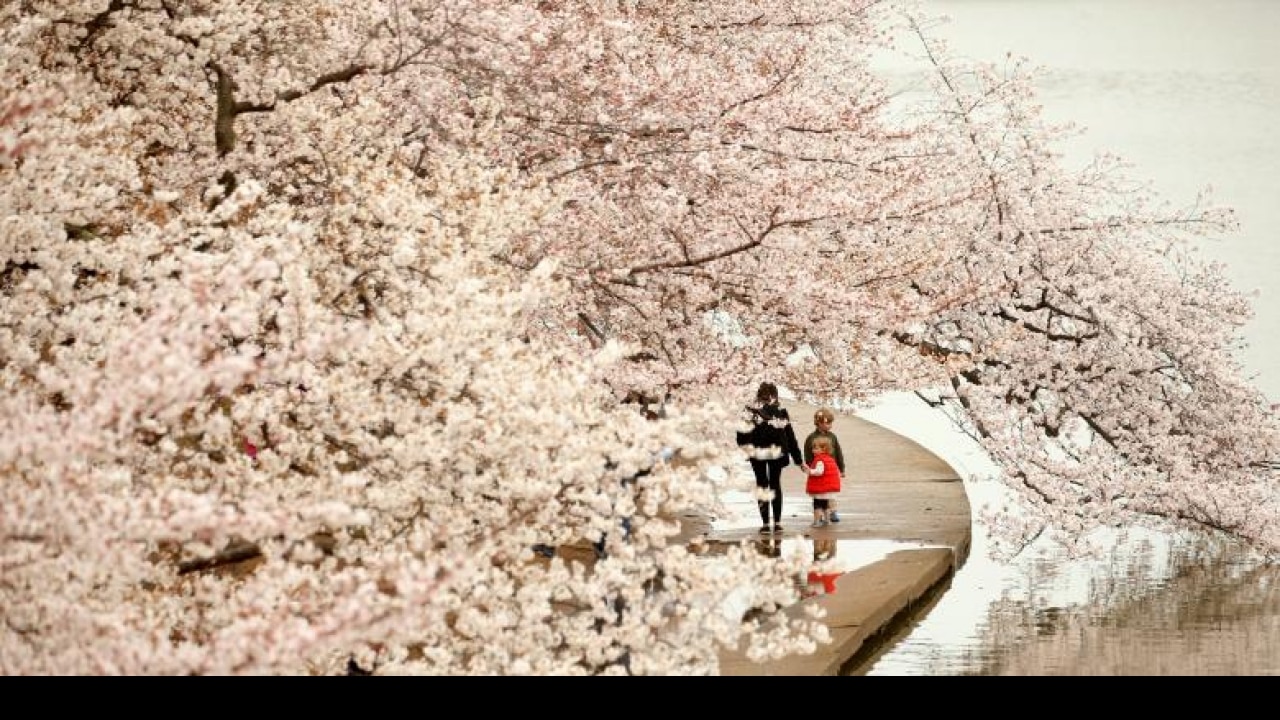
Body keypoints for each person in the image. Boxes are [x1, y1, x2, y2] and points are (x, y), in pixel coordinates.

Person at [736, 381, 803, 535]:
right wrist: (798, 459)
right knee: (775, 484)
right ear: (775, 395)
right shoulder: (780, 411)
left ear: (758, 395)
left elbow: (740, 433)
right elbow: (790, 437)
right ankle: (777, 523)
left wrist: (745, 449)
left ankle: (766, 524)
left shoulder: (749, 410)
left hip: (757, 452)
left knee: (762, 485)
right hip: (776, 452)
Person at [803, 407, 846, 523]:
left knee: (830, 492)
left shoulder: (832, 437)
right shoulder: (811, 438)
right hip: (817, 468)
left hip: (830, 469)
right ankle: (819, 513)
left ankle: (832, 511)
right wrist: (810, 467)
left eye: (831, 423)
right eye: (828, 423)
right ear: (819, 423)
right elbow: (807, 453)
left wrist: (841, 468)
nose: (830, 426)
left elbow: (838, 452)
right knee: (818, 492)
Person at [800, 436, 841, 528]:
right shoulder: (830, 459)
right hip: (828, 488)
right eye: (813, 448)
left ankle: (817, 521)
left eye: (815, 448)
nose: (813, 450)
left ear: (824, 449)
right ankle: (827, 520)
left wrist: (809, 471)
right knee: (825, 505)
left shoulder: (820, 460)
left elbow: (819, 472)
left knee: (817, 505)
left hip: (821, 488)